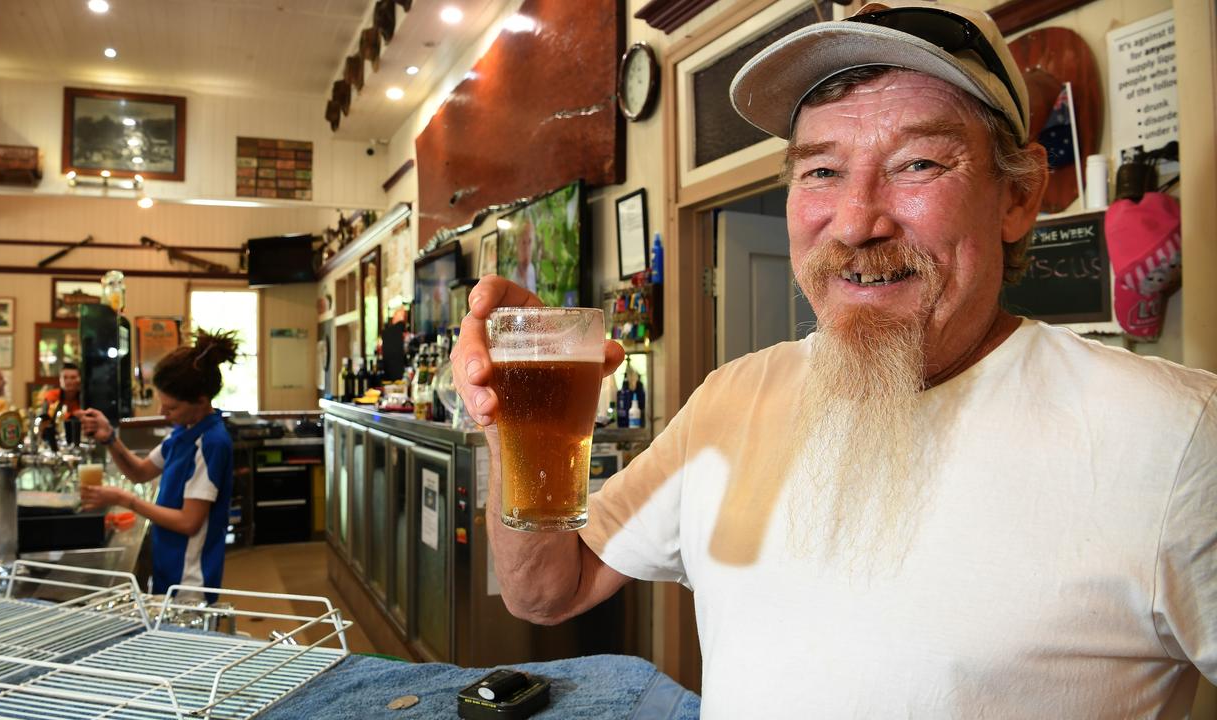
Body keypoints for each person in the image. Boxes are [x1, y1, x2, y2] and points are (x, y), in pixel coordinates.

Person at [451, 2, 1216, 716]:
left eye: (918, 163)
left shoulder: (1179, 438)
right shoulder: (734, 396)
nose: (854, 221)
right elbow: (548, 591)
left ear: (1017, 199)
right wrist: (515, 424)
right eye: (820, 170)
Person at [77, 330, 237, 597]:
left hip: (190, 582)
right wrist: (110, 439)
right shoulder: (184, 433)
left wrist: (126, 500)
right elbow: (140, 472)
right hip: (169, 569)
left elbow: (189, 522)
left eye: (171, 408)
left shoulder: (211, 443)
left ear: (201, 400)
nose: (163, 413)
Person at [510, 222, 538, 293]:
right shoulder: (513, 279)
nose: (527, 248)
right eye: (523, 242)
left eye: (530, 241)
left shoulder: (531, 269)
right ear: (517, 245)